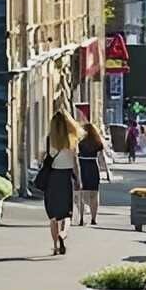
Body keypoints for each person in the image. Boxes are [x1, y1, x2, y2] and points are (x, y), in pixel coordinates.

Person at [41, 109, 81, 255]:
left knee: (53, 216)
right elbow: (76, 163)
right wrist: (79, 180)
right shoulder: (73, 139)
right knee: (67, 214)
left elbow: (42, 157)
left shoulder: (49, 139)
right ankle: (63, 233)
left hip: (52, 179)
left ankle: (55, 246)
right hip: (66, 178)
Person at [76, 119, 110, 226]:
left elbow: (74, 156)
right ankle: (93, 218)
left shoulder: (79, 142)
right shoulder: (97, 142)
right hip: (93, 166)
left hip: (82, 166)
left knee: (82, 194)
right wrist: (107, 172)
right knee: (94, 194)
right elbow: (102, 159)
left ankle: (81, 218)